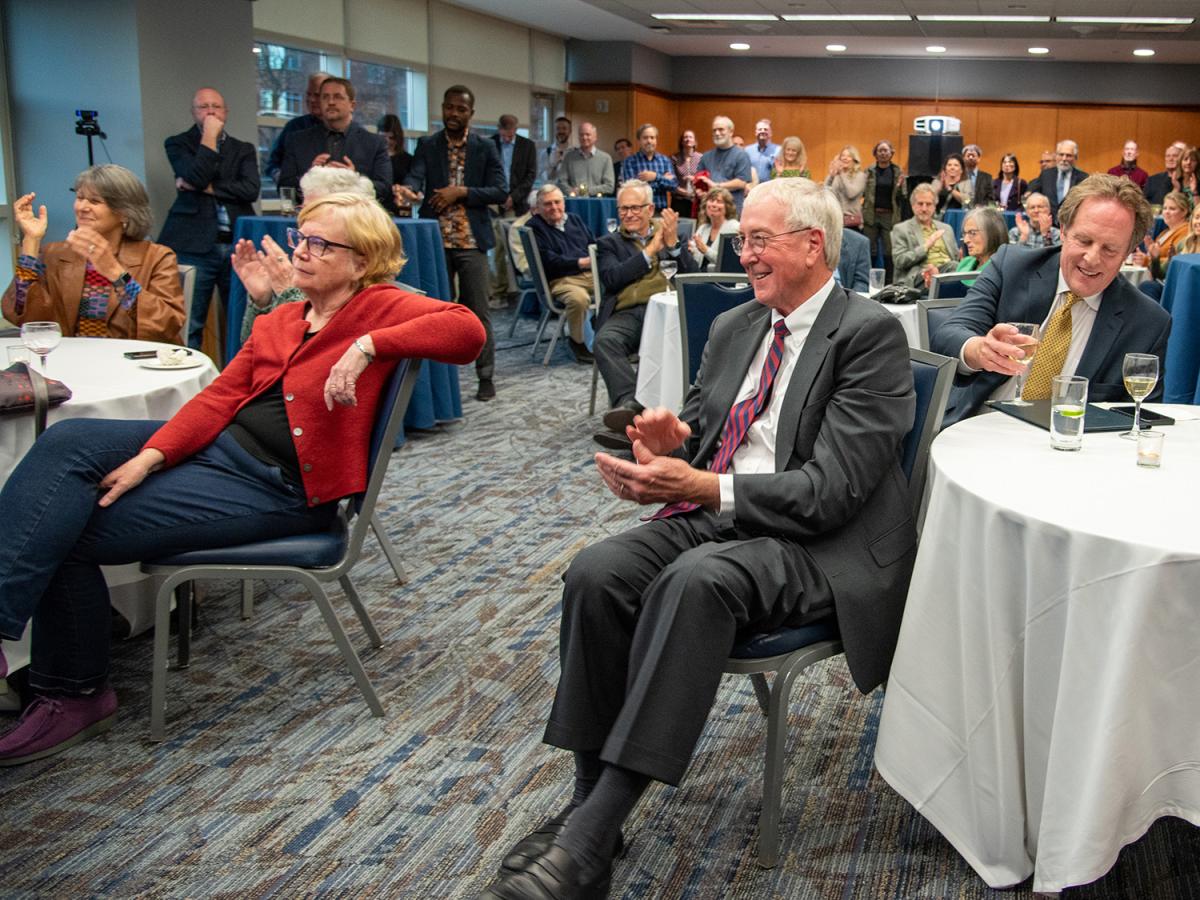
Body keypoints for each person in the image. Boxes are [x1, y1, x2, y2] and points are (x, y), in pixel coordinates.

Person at [478, 177, 916, 900]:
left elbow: (831, 491)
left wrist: (705, 487)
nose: (742, 254)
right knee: (597, 570)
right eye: (741, 239)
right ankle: (592, 803)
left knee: (696, 582)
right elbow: (703, 429)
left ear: (813, 244)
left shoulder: (867, 335)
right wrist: (660, 452)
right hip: (722, 514)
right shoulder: (735, 326)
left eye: (758, 240)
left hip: (820, 541)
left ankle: (586, 841)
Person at [0, 193, 486, 765]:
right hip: (221, 450)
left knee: (66, 525)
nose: (301, 252)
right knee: (66, 442)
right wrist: (153, 456)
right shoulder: (283, 317)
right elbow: (220, 398)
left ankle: (73, 693)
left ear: (361, 261)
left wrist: (366, 345)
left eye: (320, 244)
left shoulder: (378, 306)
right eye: (302, 238)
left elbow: (467, 331)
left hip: (278, 487)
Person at [932, 174, 1171, 428]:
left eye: (1110, 249)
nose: (1091, 258)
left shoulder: (1148, 323)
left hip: (1071, 452)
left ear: (1128, 252)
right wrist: (978, 350)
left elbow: (1139, 419)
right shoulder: (1011, 267)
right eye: (1084, 240)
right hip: (980, 425)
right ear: (1064, 230)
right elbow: (947, 335)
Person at [396, 85, 507, 401]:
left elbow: (500, 190)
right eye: (449, 108)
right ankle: (437, 383)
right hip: (436, 243)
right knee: (433, 314)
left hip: (471, 242)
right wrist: (410, 190)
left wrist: (462, 192)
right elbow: (416, 177)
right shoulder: (428, 145)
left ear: (471, 113)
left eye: (460, 109)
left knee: (478, 312)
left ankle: (485, 376)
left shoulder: (485, 147)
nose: (453, 114)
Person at [3, 165, 185, 343]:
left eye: (95, 201)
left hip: (133, 365)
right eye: (80, 197)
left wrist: (115, 272)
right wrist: (32, 240)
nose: (82, 207)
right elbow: (25, 318)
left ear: (124, 213)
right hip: (70, 364)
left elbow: (167, 325)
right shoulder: (53, 254)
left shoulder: (157, 257)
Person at [592, 181, 696, 445]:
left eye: (634, 208)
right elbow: (612, 278)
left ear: (650, 209)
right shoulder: (609, 243)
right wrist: (650, 251)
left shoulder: (670, 233)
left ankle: (669, 417)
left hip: (669, 313)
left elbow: (693, 278)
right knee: (605, 340)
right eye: (623, 209)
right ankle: (631, 404)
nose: (628, 214)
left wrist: (672, 246)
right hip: (629, 312)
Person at [158, 88, 260, 350]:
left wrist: (207, 188)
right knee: (191, 322)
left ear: (225, 112)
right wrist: (210, 138)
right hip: (194, 246)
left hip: (237, 245)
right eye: (204, 107)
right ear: (193, 112)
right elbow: (196, 176)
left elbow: (250, 190)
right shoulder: (178, 144)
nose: (211, 111)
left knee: (241, 321)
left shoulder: (243, 149)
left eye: (216, 106)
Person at [237, 168, 377, 341]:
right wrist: (262, 302)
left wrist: (289, 293)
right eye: (303, 212)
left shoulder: (364, 298)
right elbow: (254, 350)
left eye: (315, 214)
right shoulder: (315, 273)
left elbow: (307, 355)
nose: (299, 252)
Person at [277, 77, 392, 207]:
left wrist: (354, 180)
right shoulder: (297, 140)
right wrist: (310, 176)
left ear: (352, 105)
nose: (331, 102)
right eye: (325, 97)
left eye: (338, 97)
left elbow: (385, 188)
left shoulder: (375, 143)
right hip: (312, 219)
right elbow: (285, 187)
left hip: (357, 220)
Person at [526, 184, 597, 364]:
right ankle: (578, 344)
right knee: (579, 299)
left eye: (557, 202)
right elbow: (549, 261)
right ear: (539, 208)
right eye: (548, 204)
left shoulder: (574, 220)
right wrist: (580, 262)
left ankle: (614, 341)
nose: (554, 207)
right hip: (561, 280)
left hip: (589, 275)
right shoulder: (534, 227)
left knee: (619, 283)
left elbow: (592, 244)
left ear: (564, 203)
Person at [490, 114, 538, 301]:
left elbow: (530, 175)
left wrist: (514, 197)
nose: (507, 137)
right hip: (495, 203)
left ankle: (515, 289)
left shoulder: (527, 146)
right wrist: (499, 196)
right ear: (499, 129)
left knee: (516, 245)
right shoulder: (491, 144)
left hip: (518, 203)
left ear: (516, 129)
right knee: (497, 250)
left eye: (510, 133)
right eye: (504, 133)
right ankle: (499, 291)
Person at [264, 72, 332, 183]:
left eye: (317, 95)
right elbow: (273, 165)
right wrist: (286, 180)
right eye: (308, 94)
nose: (311, 100)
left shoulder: (345, 130)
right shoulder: (294, 127)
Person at [890, 182, 959, 289]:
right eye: (920, 204)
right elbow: (899, 261)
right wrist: (925, 247)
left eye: (928, 204)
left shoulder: (946, 228)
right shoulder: (901, 229)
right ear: (912, 206)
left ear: (935, 206)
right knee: (952, 267)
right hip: (919, 276)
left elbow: (956, 258)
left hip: (948, 271)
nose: (924, 209)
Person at [862, 140, 905, 282]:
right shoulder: (869, 171)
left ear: (891, 153)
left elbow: (903, 195)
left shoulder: (897, 171)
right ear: (875, 153)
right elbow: (862, 192)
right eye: (880, 150)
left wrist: (900, 187)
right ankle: (869, 281)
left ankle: (889, 282)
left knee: (889, 251)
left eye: (886, 150)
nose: (883, 153)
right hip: (871, 215)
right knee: (870, 250)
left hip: (889, 216)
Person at [1131, 190, 1192, 282]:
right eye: (1165, 208)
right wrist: (1150, 251)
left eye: (1172, 209)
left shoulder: (1186, 231)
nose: (1167, 212)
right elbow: (1156, 255)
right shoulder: (1164, 232)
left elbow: (1174, 260)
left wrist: (1147, 260)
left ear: (1184, 212)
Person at [697, 116, 752, 214]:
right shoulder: (706, 156)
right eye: (714, 130)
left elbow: (742, 182)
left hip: (732, 211)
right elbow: (699, 179)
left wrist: (716, 186)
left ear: (731, 132)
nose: (717, 133)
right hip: (709, 212)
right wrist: (699, 191)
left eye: (721, 129)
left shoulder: (741, 155)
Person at [619, 124, 677, 211]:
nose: (649, 141)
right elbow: (632, 187)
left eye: (652, 138)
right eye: (645, 138)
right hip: (638, 211)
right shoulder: (630, 161)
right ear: (639, 140)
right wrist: (662, 179)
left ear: (656, 140)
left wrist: (655, 177)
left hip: (660, 211)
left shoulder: (665, 160)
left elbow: (673, 185)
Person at [1027, 140, 1087, 221]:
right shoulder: (1046, 175)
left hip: (1070, 222)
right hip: (1048, 224)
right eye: (1061, 154)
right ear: (1056, 156)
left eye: (1068, 155)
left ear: (1075, 157)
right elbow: (1032, 191)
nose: (1064, 159)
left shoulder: (1083, 178)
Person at [953, 208, 1008, 287]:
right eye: (964, 234)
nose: (965, 240)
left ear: (992, 234)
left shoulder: (999, 269)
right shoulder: (965, 263)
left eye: (972, 233)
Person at [557, 123, 615, 198]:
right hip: (574, 202)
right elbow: (561, 181)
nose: (584, 137)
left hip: (597, 203)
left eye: (588, 134)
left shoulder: (606, 158)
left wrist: (585, 191)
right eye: (581, 135)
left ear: (595, 137)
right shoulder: (569, 157)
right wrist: (570, 191)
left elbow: (609, 186)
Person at [689, 187, 739, 270]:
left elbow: (729, 262)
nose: (714, 204)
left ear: (727, 207)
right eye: (711, 201)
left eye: (719, 202)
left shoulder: (734, 227)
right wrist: (691, 250)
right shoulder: (703, 228)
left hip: (720, 280)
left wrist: (705, 250)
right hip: (699, 275)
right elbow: (695, 257)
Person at [378, 114, 413, 216]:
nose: (387, 141)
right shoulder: (371, 158)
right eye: (383, 137)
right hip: (377, 209)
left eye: (391, 137)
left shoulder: (408, 160)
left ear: (398, 138)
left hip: (401, 209)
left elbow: (411, 187)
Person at [825, 145, 867, 228]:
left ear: (854, 159)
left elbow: (851, 194)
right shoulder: (838, 175)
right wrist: (831, 175)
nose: (844, 158)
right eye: (842, 156)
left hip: (851, 221)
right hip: (836, 219)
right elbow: (825, 191)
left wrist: (841, 173)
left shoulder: (860, 176)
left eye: (848, 156)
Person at [671, 129, 703, 217]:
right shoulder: (675, 158)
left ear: (695, 142)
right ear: (681, 142)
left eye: (690, 137)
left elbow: (705, 177)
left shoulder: (701, 158)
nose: (688, 139)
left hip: (696, 200)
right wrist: (682, 191)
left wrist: (695, 179)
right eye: (685, 137)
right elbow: (671, 179)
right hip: (679, 200)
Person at [1144, 142, 1187, 206]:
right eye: (1168, 156)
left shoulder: (1187, 181)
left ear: (1181, 159)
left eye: (1175, 156)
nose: (1170, 159)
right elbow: (1143, 204)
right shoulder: (1152, 180)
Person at [932, 152, 970, 217]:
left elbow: (968, 201)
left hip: (958, 218)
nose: (952, 167)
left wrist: (949, 189)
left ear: (961, 170)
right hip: (938, 218)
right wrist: (940, 187)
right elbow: (929, 198)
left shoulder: (966, 183)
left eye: (956, 165)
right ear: (945, 169)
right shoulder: (936, 182)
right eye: (949, 165)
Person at [540, 116, 574, 186]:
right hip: (552, 193)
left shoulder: (576, 152)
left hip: (571, 193)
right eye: (558, 128)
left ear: (570, 131)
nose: (561, 131)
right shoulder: (546, 153)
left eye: (564, 128)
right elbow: (545, 180)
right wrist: (554, 165)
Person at [744, 118, 780, 184]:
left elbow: (782, 171)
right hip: (751, 189)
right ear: (755, 132)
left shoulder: (779, 150)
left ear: (771, 133)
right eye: (760, 129)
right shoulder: (747, 150)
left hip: (770, 188)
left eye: (765, 129)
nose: (762, 131)